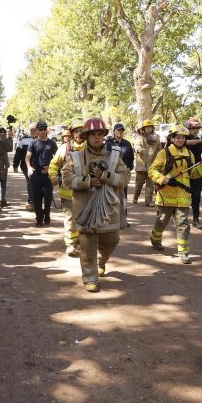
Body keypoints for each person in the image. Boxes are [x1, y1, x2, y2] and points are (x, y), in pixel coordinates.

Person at [62, 117, 130, 292]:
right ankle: (90, 277)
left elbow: (125, 177)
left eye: (100, 134)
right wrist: (88, 182)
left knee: (111, 241)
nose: (97, 137)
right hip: (85, 210)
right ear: (86, 136)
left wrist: (106, 176)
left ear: (104, 136)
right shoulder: (75, 157)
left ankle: (102, 261)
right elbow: (67, 179)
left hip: (109, 210)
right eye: (93, 134)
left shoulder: (114, 156)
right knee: (87, 246)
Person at [148, 124, 202, 264]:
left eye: (183, 138)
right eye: (177, 137)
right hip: (165, 196)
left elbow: (192, 174)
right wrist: (164, 179)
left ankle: (183, 251)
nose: (180, 140)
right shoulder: (164, 153)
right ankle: (155, 239)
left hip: (183, 196)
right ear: (172, 138)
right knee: (162, 221)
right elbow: (152, 170)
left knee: (183, 224)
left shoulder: (190, 154)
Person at [50, 122, 85, 256]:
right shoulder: (64, 148)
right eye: (76, 131)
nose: (79, 134)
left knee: (84, 218)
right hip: (68, 191)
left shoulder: (91, 148)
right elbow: (54, 164)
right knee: (71, 218)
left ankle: (82, 242)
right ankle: (70, 244)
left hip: (86, 191)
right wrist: (53, 175)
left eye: (82, 131)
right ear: (72, 133)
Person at [27, 120, 58, 227]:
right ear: (37, 131)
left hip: (48, 176)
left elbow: (58, 158)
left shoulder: (52, 143)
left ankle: (47, 214)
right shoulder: (33, 143)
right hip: (36, 176)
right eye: (40, 129)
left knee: (48, 197)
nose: (43, 131)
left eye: (44, 129)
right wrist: (29, 167)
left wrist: (52, 168)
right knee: (37, 199)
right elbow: (28, 157)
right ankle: (39, 219)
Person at [184, 118, 202, 229]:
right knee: (183, 198)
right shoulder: (182, 139)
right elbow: (187, 142)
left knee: (196, 198)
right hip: (184, 173)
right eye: (193, 128)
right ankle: (182, 221)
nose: (195, 130)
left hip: (197, 173)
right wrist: (201, 141)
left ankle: (196, 220)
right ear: (188, 129)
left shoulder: (200, 142)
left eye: (197, 128)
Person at [133, 119, 160, 206]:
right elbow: (136, 146)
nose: (148, 129)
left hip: (152, 164)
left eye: (150, 127)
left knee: (150, 184)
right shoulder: (140, 137)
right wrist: (139, 149)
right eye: (147, 127)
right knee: (139, 183)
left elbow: (160, 149)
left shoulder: (156, 138)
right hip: (141, 165)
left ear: (152, 128)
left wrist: (159, 157)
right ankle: (135, 198)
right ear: (143, 128)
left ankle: (148, 201)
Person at [13, 129, 34, 209]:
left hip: (39, 167)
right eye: (31, 129)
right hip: (26, 167)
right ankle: (32, 200)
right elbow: (18, 153)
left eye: (35, 129)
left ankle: (36, 199)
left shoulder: (42, 139)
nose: (33, 131)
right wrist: (15, 165)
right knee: (30, 182)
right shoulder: (23, 140)